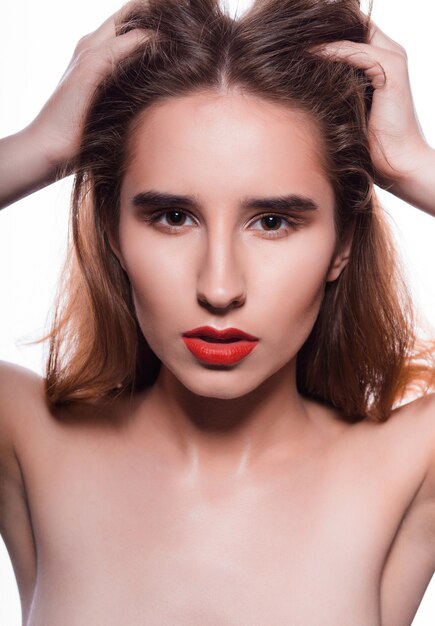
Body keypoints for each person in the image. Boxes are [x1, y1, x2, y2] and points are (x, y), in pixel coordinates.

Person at [1, 0, 435, 624]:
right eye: (173, 217)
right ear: (114, 233)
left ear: (341, 244)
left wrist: (412, 164)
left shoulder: (404, 465)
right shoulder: (26, 438)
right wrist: (41, 147)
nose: (220, 286)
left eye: (274, 221)